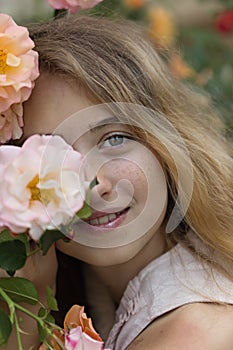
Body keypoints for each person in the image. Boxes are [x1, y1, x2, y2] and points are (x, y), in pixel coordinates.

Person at [19, 15, 233, 349]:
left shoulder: (194, 333)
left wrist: (25, 321)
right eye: (50, 159)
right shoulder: (90, 296)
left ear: (166, 143)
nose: (93, 183)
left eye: (114, 139)